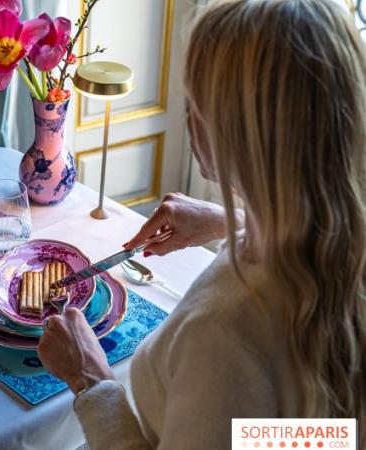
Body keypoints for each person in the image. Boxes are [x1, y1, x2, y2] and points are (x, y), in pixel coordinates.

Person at [36, 1, 366, 448]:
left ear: (226, 136)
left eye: (194, 102)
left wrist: (91, 383)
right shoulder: (341, 242)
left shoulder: (223, 338)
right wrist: (234, 225)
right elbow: (313, 437)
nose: (188, 118)